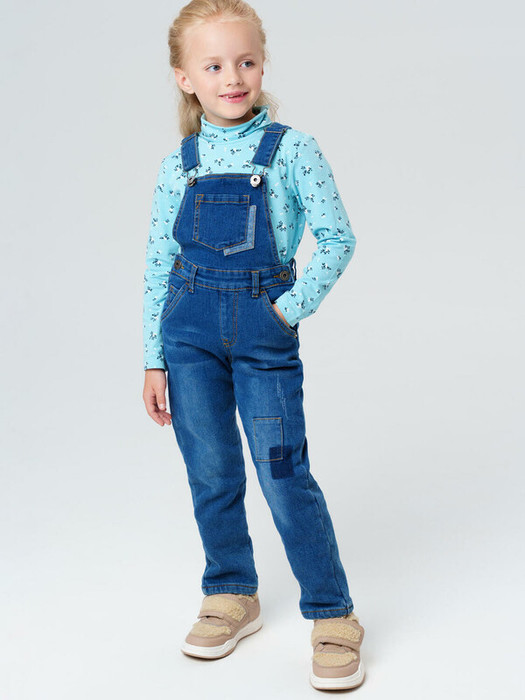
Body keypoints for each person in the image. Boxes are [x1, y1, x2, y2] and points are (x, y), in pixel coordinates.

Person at [142, 0, 365, 690]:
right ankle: (231, 591)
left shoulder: (292, 150)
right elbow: (158, 261)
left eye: (245, 61)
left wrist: (284, 312)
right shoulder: (178, 163)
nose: (232, 77)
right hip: (188, 335)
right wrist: (152, 355)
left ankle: (332, 612)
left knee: (282, 471)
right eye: (213, 66)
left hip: (262, 333)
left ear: (262, 65)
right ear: (184, 78)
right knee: (210, 471)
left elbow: (337, 239)